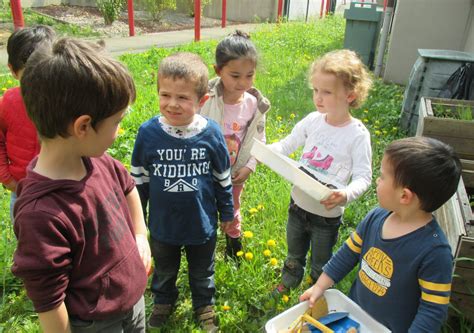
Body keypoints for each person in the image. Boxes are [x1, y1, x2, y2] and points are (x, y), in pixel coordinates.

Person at [11, 38, 151, 333]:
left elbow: (128, 188)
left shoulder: (97, 160)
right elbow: (49, 303)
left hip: (132, 302)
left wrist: (140, 234)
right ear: (83, 127)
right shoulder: (42, 214)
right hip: (98, 323)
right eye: (117, 122)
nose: (119, 131)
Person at [300, 136, 461, 332]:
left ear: (404, 196)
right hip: (355, 317)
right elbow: (347, 254)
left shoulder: (434, 252)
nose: (377, 180)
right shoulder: (376, 217)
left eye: (383, 176)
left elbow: (432, 311)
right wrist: (320, 286)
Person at [131, 52, 233, 332]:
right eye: (165, 95)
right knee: (163, 269)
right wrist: (135, 220)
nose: (172, 104)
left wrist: (227, 212)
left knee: (203, 272)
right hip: (163, 225)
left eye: (183, 98)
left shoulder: (211, 133)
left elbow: (222, 178)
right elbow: (138, 181)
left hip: (202, 224)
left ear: (202, 101)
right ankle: (163, 301)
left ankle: (204, 305)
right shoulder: (148, 133)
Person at [269, 49, 373, 295]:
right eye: (315, 90)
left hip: (326, 214)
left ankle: (319, 289)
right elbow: (287, 145)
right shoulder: (313, 120)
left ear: (350, 95)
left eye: (326, 92)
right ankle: (290, 278)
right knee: (294, 251)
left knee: (321, 260)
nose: (318, 97)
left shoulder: (357, 134)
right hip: (298, 204)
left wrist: (345, 194)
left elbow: (363, 176)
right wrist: (266, 151)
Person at [199, 30, 270, 258]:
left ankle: (233, 246)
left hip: (235, 173)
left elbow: (259, 141)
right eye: (235, 75)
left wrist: (250, 166)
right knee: (205, 207)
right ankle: (203, 244)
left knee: (233, 207)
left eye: (249, 75)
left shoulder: (254, 105)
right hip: (205, 172)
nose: (243, 83)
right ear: (218, 70)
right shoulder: (205, 99)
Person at [0, 25, 55, 222]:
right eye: (29, 76)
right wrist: (7, 179)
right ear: (13, 71)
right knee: (26, 242)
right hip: (21, 191)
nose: (37, 84)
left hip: (58, 189)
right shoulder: (8, 102)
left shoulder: (63, 102)